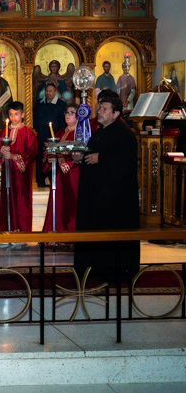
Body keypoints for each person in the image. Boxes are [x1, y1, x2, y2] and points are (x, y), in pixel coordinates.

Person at [73, 96, 139, 280]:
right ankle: (91, 269)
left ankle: (109, 271)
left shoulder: (124, 134)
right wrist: (81, 157)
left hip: (114, 201)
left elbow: (127, 163)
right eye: (99, 108)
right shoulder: (100, 131)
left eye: (104, 109)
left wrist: (101, 158)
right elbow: (91, 155)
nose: (99, 112)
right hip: (97, 196)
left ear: (116, 114)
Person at [0, 101, 37, 244]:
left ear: (22, 115)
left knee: (21, 202)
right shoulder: (3, 133)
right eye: (11, 114)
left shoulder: (28, 134)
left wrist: (14, 157)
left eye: (16, 114)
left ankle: (21, 234)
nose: (13, 117)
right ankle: (6, 232)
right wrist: (0, 153)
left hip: (21, 176)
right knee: (6, 200)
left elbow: (31, 153)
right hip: (7, 174)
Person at [41, 105, 80, 237]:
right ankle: (55, 236)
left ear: (78, 115)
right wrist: (49, 158)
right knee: (58, 205)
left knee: (72, 205)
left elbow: (82, 155)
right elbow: (48, 153)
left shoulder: (81, 133)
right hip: (58, 177)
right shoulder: (58, 134)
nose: (68, 115)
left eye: (72, 112)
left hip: (74, 175)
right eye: (66, 112)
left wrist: (67, 161)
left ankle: (72, 237)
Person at [33, 84, 67, 187]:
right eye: (46, 91)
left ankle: (54, 182)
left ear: (55, 92)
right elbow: (34, 118)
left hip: (54, 139)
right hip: (40, 137)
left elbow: (63, 122)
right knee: (39, 159)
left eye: (50, 91)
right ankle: (40, 182)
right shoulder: (39, 103)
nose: (48, 93)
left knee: (53, 159)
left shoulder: (61, 105)